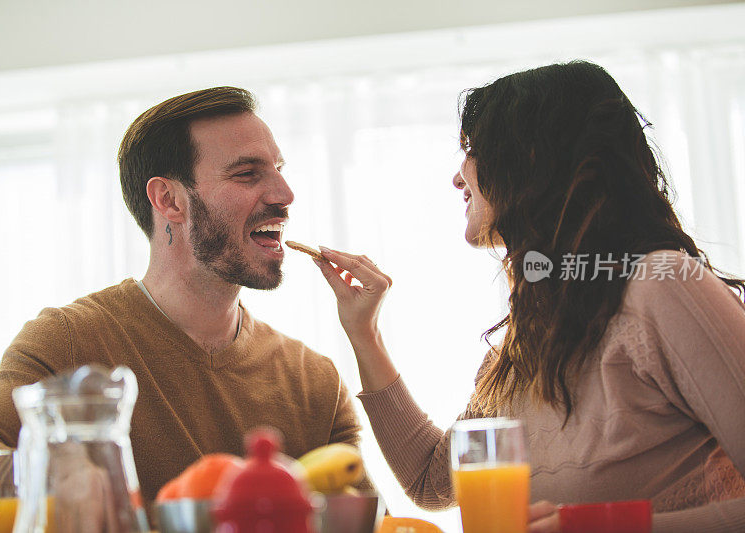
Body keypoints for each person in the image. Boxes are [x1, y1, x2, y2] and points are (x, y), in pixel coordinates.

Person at [311, 61, 745, 533]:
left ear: (534, 158)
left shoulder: (666, 289)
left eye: (473, 151)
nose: (459, 178)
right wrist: (364, 331)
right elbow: (432, 479)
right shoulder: (527, 341)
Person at [0, 87, 367, 530]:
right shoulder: (70, 339)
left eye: (278, 170)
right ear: (168, 201)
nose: (284, 193)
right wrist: (48, 476)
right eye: (247, 174)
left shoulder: (314, 380)